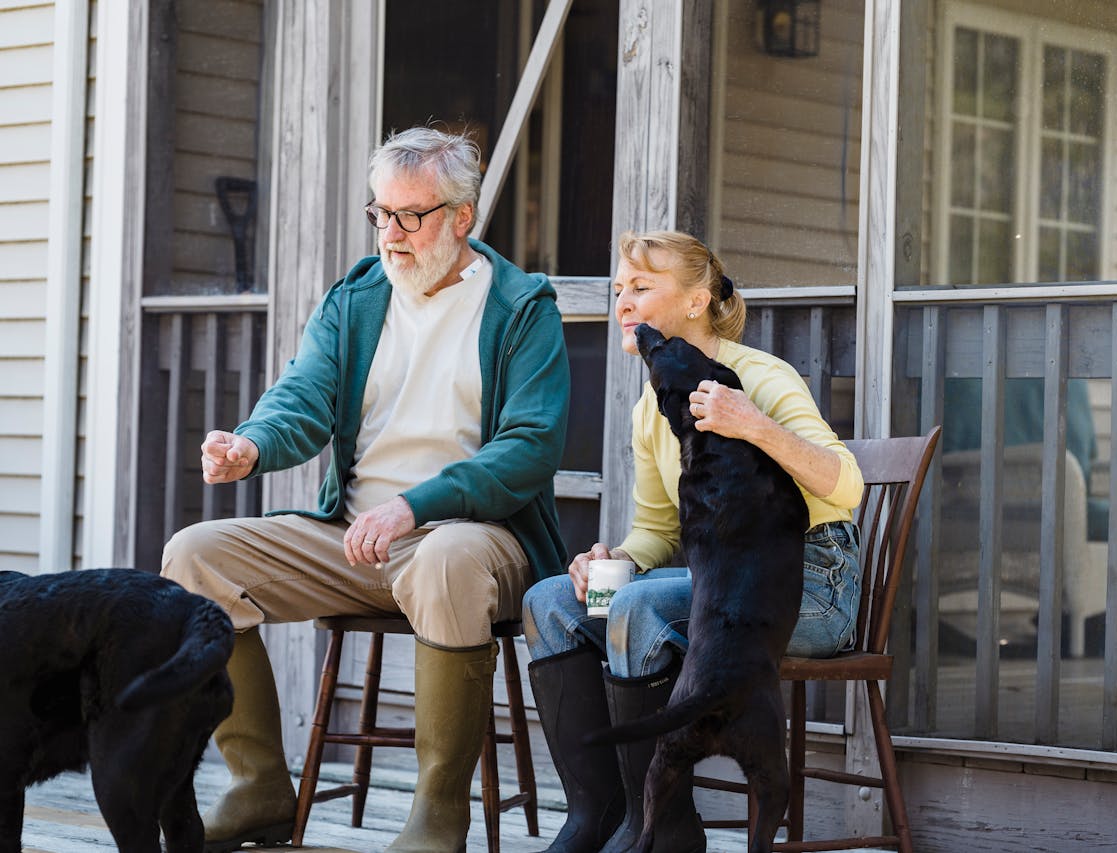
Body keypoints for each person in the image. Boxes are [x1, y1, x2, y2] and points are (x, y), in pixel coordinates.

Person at [162, 126, 570, 853]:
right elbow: (304, 396)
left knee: (446, 560)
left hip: (473, 542)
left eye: (411, 216)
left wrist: (417, 504)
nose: (392, 234)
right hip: (352, 539)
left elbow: (529, 449)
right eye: (381, 213)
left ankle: (438, 812)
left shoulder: (520, 305)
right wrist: (250, 444)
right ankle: (257, 785)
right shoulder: (357, 297)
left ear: (462, 216)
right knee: (195, 555)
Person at [522, 230, 864, 853]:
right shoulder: (650, 407)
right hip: (716, 593)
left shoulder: (760, 377)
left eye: (642, 288)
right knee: (552, 603)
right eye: (619, 289)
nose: (622, 301)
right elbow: (656, 532)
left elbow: (847, 486)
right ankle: (599, 815)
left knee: (637, 608)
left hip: (807, 589)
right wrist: (612, 559)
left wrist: (753, 424)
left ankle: (661, 832)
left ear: (696, 302)